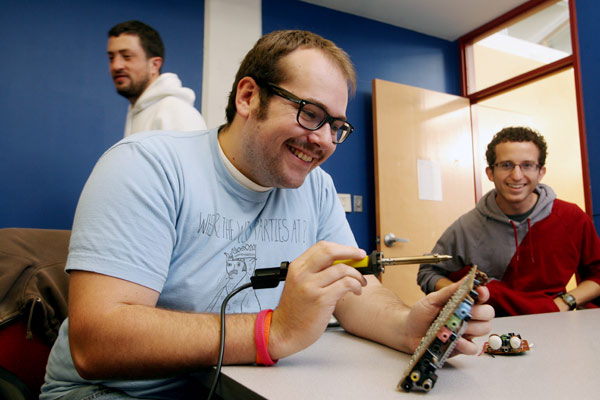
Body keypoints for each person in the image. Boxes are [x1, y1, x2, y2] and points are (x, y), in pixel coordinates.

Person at [41, 30, 493, 399]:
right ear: (248, 97)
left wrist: (406, 326)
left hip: (237, 386)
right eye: (310, 113)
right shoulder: (146, 165)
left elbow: (351, 287)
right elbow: (96, 340)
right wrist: (271, 331)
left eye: (337, 126)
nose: (326, 141)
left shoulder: (316, 188)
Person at [418, 126, 600, 316]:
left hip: (554, 319)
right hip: (491, 327)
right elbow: (428, 273)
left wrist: (566, 301)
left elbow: (597, 274)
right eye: (506, 165)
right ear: (490, 173)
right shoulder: (467, 227)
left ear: (541, 172)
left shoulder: (571, 218)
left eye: (527, 165)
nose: (517, 175)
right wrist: (464, 293)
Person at [107, 20, 207, 137]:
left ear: (154, 65)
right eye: (111, 58)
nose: (116, 65)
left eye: (127, 56)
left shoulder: (176, 112)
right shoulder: (137, 112)